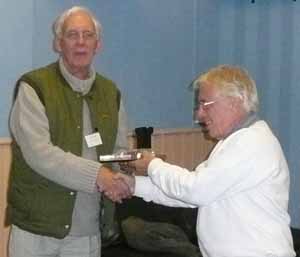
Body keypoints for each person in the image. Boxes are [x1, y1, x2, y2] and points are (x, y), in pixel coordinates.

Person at [116, 65, 296, 257]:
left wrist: (152, 165)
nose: (198, 115)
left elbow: (195, 190)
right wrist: (135, 186)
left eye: (205, 104)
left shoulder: (251, 142)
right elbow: (190, 194)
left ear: (235, 102)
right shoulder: (231, 142)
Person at [8, 6, 131, 257]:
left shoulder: (111, 92)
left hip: (88, 231)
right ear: (58, 43)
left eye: (88, 35)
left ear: (98, 45)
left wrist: (124, 178)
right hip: (37, 229)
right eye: (72, 35)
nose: (80, 42)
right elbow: (39, 154)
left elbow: (118, 152)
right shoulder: (34, 86)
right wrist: (99, 176)